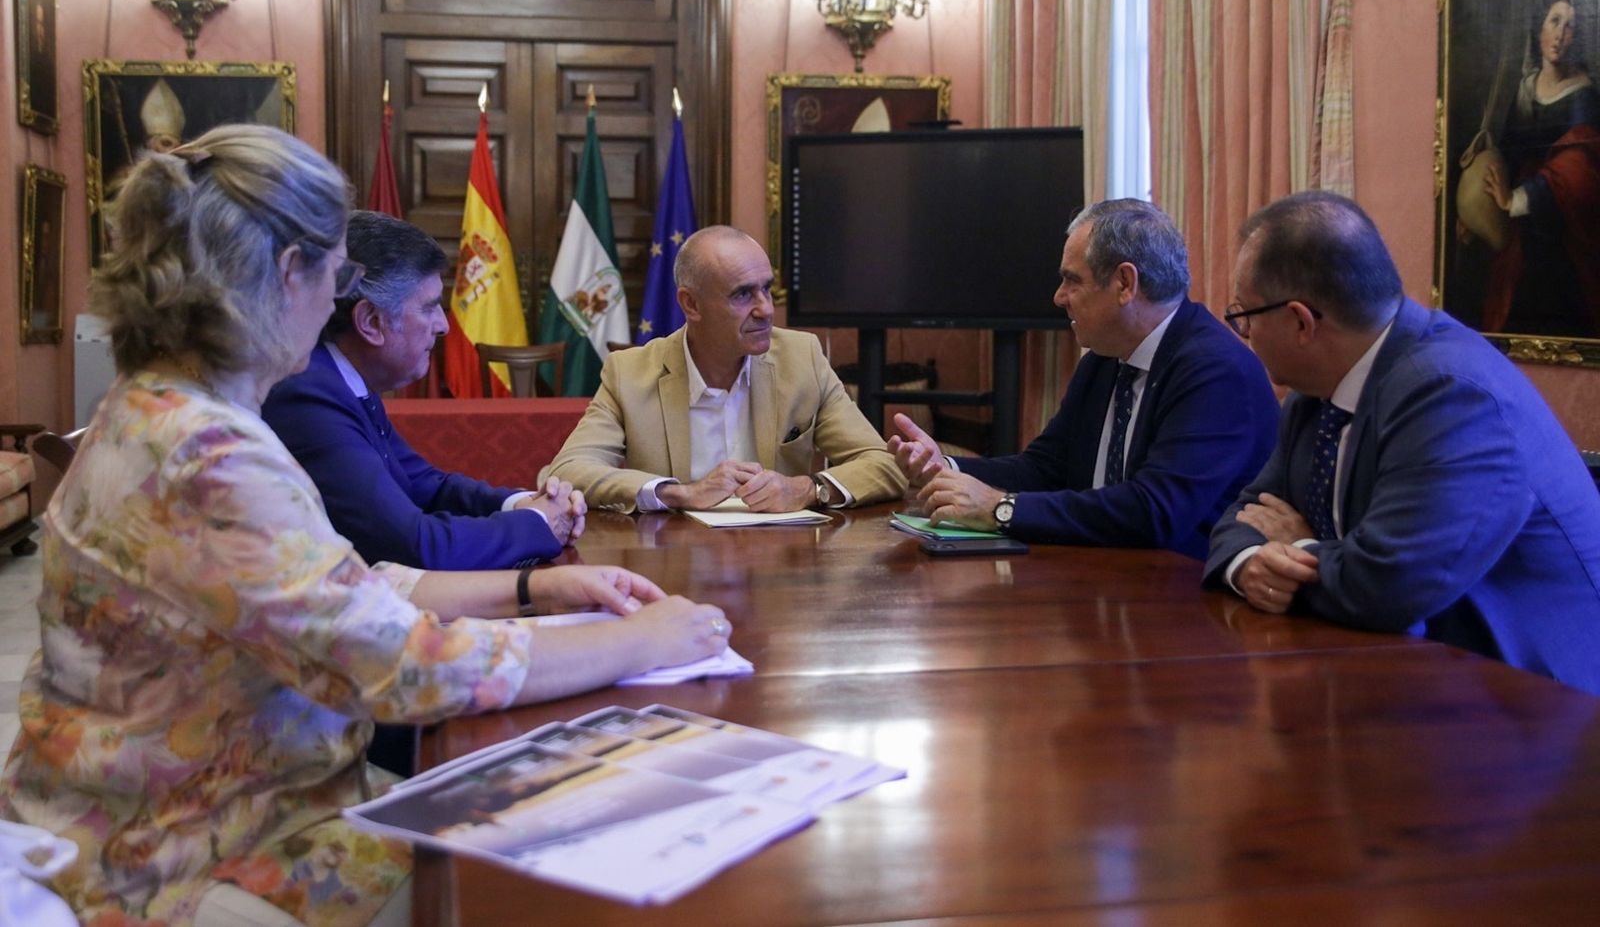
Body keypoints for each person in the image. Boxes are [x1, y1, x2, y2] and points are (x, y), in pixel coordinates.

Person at [0, 125, 731, 927]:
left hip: (175, 808)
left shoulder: (160, 406)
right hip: (180, 851)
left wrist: (542, 584)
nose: (340, 298)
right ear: (290, 275)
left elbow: (335, 590)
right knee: (554, 886)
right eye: (339, 272)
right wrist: (645, 640)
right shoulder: (206, 452)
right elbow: (404, 668)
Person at [1206, 190, 1600, 694]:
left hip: (1533, 707)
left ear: (1300, 322)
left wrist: (1297, 546)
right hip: (1402, 673)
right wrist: (1248, 564)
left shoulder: (1451, 393)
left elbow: (1389, 585)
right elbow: (1242, 514)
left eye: (1243, 316)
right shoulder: (1316, 387)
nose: (1244, 334)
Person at [889, 198, 1279, 559]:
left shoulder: (1215, 371)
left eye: (1072, 280)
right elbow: (1046, 468)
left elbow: (1155, 510)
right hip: (1106, 578)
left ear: (1125, 284)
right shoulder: (1106, 356)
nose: (1060, 297)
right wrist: (948, 469)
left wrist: (1000, 509)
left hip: (1186, 600)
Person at [263, 211, 582, 571]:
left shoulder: (341, 377)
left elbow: (425, 486)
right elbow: (414, 545)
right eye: (430, 308)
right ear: (370, 322)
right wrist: (539, 524)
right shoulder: (308, 395)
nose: (444, 326)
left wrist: (524, 503)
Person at [543, 226, 903, 512]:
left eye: (767, 289)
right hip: (674, 569)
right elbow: (566, 472)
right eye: (743, 295)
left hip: (781, 569)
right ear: (691, 304)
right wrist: (679, 493)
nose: (765, 310)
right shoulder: (630, 373)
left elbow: (882, 465)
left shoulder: (802, 357)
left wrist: (807, 489)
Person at [1480, 0, 1600, 337]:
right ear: (1539, 28)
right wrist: (1478, 206)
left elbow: (1580, 171)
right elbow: (1507, 152)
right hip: (1519, 236)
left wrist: (1516, 199)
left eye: (1571, 26)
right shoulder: (1525, 88)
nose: (1561, 34)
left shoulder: (1585, 95)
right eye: (1555, 21)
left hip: (1563, 230)